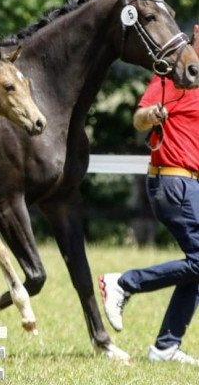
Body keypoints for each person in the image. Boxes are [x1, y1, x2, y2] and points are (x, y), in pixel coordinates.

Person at [99, 24, 199, 365]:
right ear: (196, 34)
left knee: (197, 266)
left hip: (191, 186)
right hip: (172, 183)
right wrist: (153, 115)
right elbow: (139, 118)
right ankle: (124, 283)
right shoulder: (174, 77)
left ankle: (165, 347)